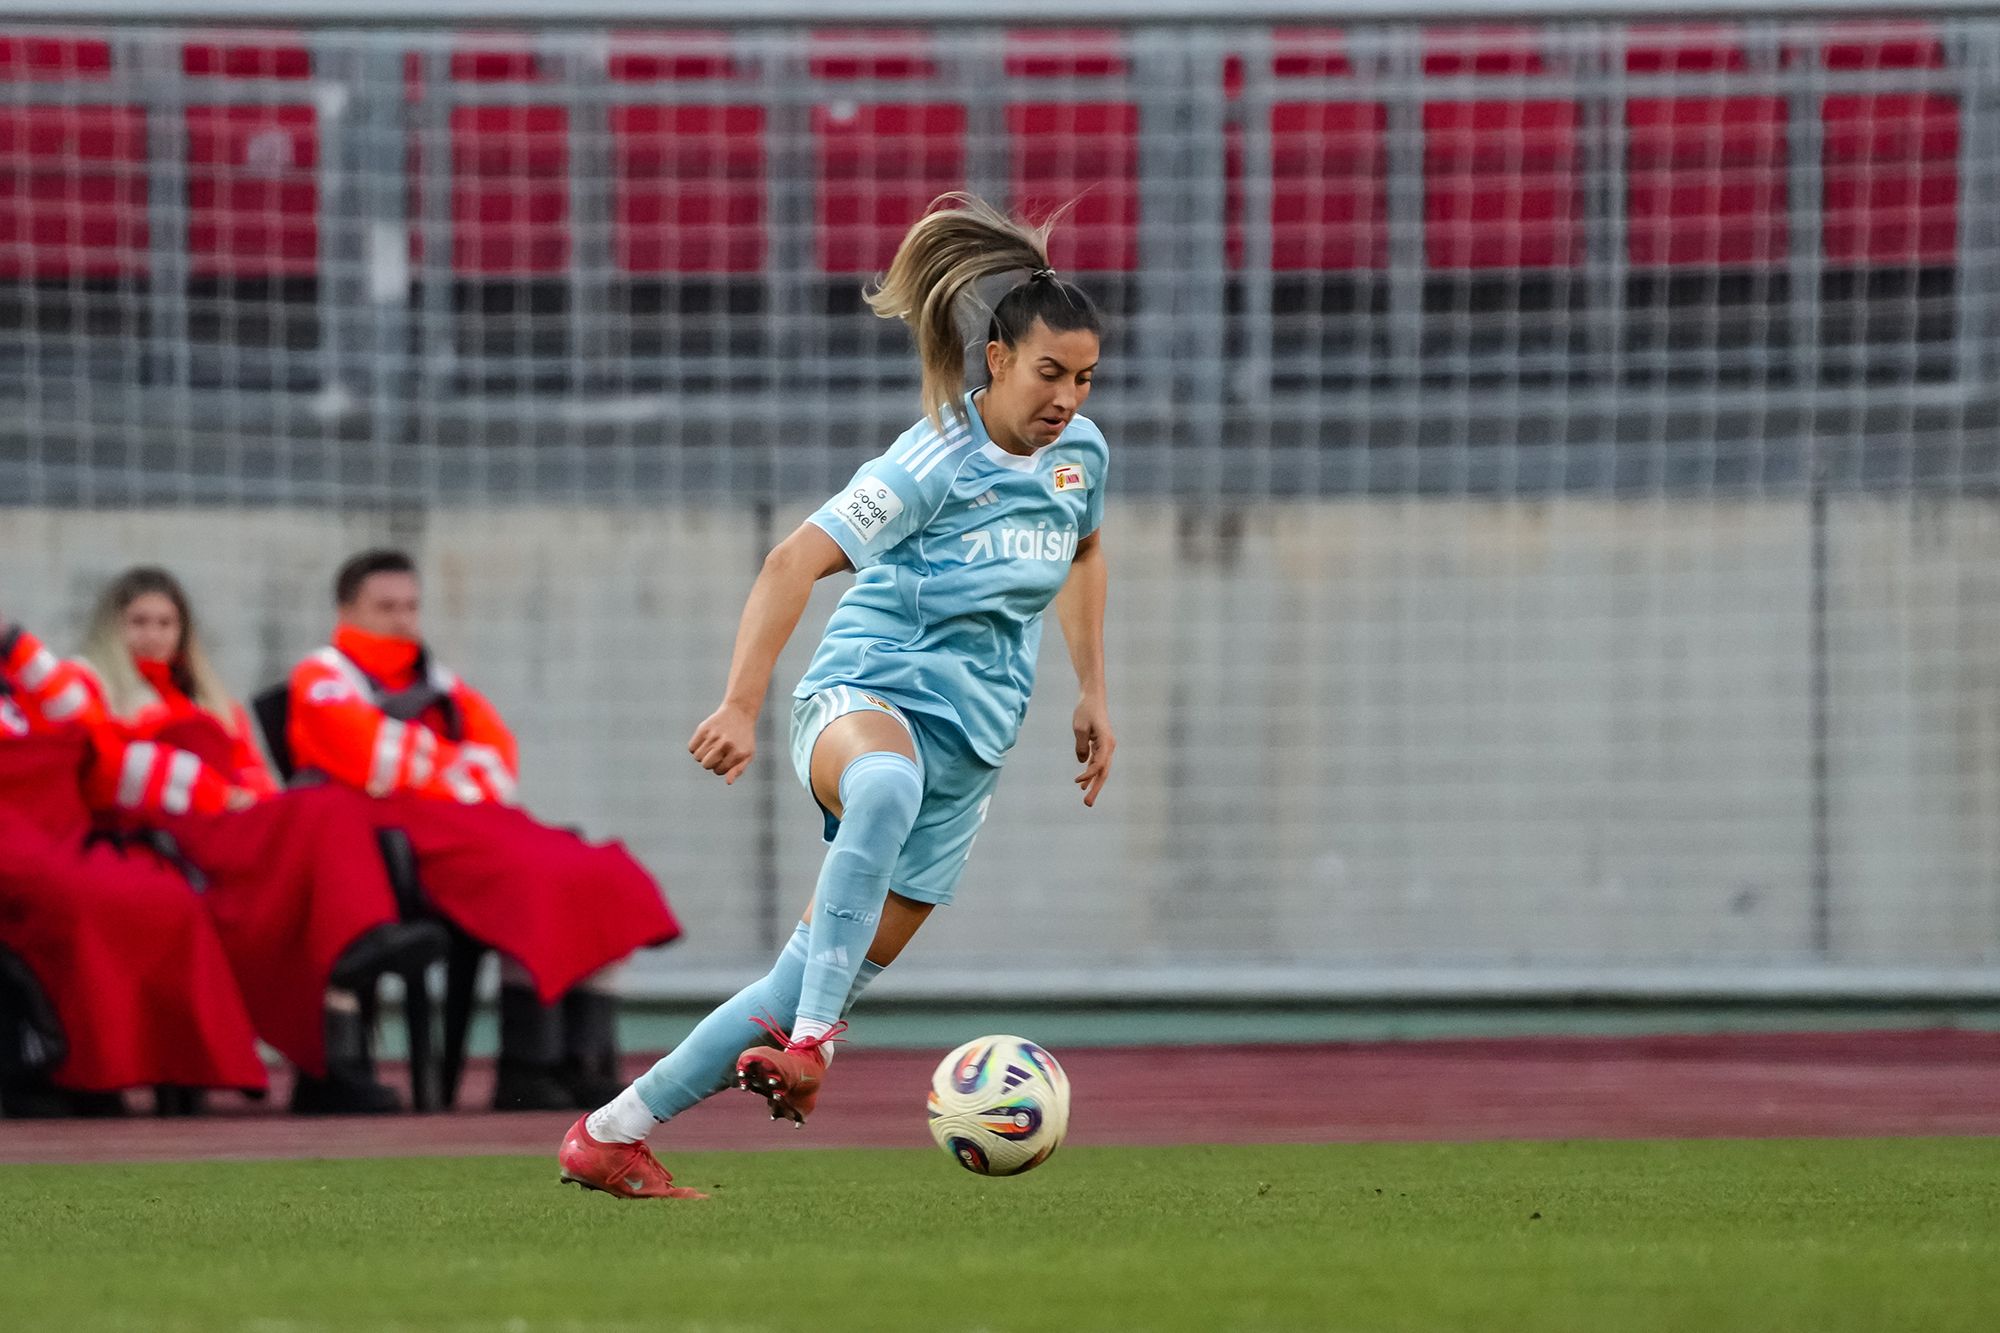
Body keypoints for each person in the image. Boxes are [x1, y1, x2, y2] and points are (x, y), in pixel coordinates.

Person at [558, 194, 1114, 1198]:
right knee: (882, 790)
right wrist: (738, 702)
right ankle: (814, 1043)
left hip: (971, 755)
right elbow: (788, 562)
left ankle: (610, 1131)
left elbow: (1080, 552)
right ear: (996, 362)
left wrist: (1092, 688)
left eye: (1082, 378)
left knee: (799, 974)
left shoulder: (1080, 460)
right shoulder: (928, 461)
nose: (1066, 397)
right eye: (1048, 373)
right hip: (861, 697)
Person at [287, 550, 682, 1110]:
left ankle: (581, 1059)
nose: (402, 619)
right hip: (402, 837)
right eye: (385, 607)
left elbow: (498, 766)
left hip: (473, 822)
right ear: (347, 609)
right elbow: (367, 757)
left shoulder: (438, 679)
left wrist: (426, 764)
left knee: (598, 870)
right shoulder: (322, 674)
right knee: (534, 877)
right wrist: (451, 765)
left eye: (411, 606)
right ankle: (528, 1066)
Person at [76, 568, 440, 1114]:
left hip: (239, 831)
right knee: (327, 808)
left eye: (166, 622)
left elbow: (256, 780)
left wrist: (244, 800)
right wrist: (219, 796)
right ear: (113, 627)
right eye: (138, 622)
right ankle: (363, 950)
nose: (152, 634)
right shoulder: (91, 688)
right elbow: (111, 775)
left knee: (326, 832)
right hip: (172, 833)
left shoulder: (214, 701)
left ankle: (340, 1031)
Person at [0, 616, 267, 1114]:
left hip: (62, 834)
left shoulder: (23, 684)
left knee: (166, 896)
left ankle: (182, 1068)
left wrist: (19, 647)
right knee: (79, 902)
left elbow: (86, 726)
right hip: (18, 845)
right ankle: (83, 1073)